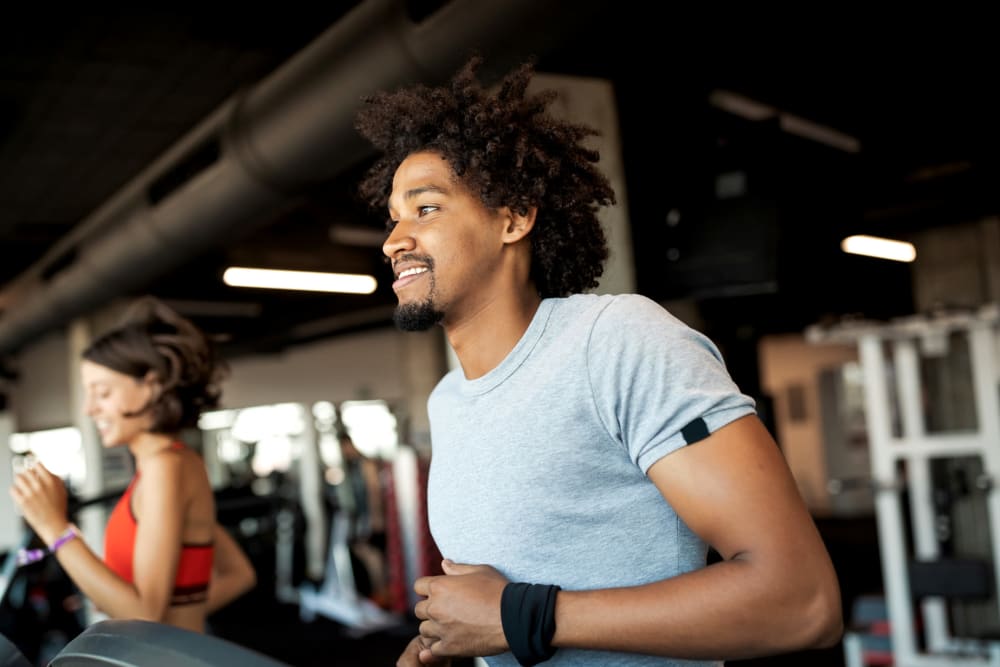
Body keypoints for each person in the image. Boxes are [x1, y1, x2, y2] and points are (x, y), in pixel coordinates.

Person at [354, 55, 843, 666]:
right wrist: (443, 644)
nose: (393, 239)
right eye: (392, 216)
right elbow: (489, 615)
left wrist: (522, 617)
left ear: (514, 218)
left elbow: (800, 600)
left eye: (424, 209)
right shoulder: (449, 399)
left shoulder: (616, 342)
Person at [9, 296, 256, 634]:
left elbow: (145, 613)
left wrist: (55, 528)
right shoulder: (179, 462)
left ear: (150, 386)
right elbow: (238, 574)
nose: (89, 409)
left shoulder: (164, 468)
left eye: (103, 393)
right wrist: (167, 613)